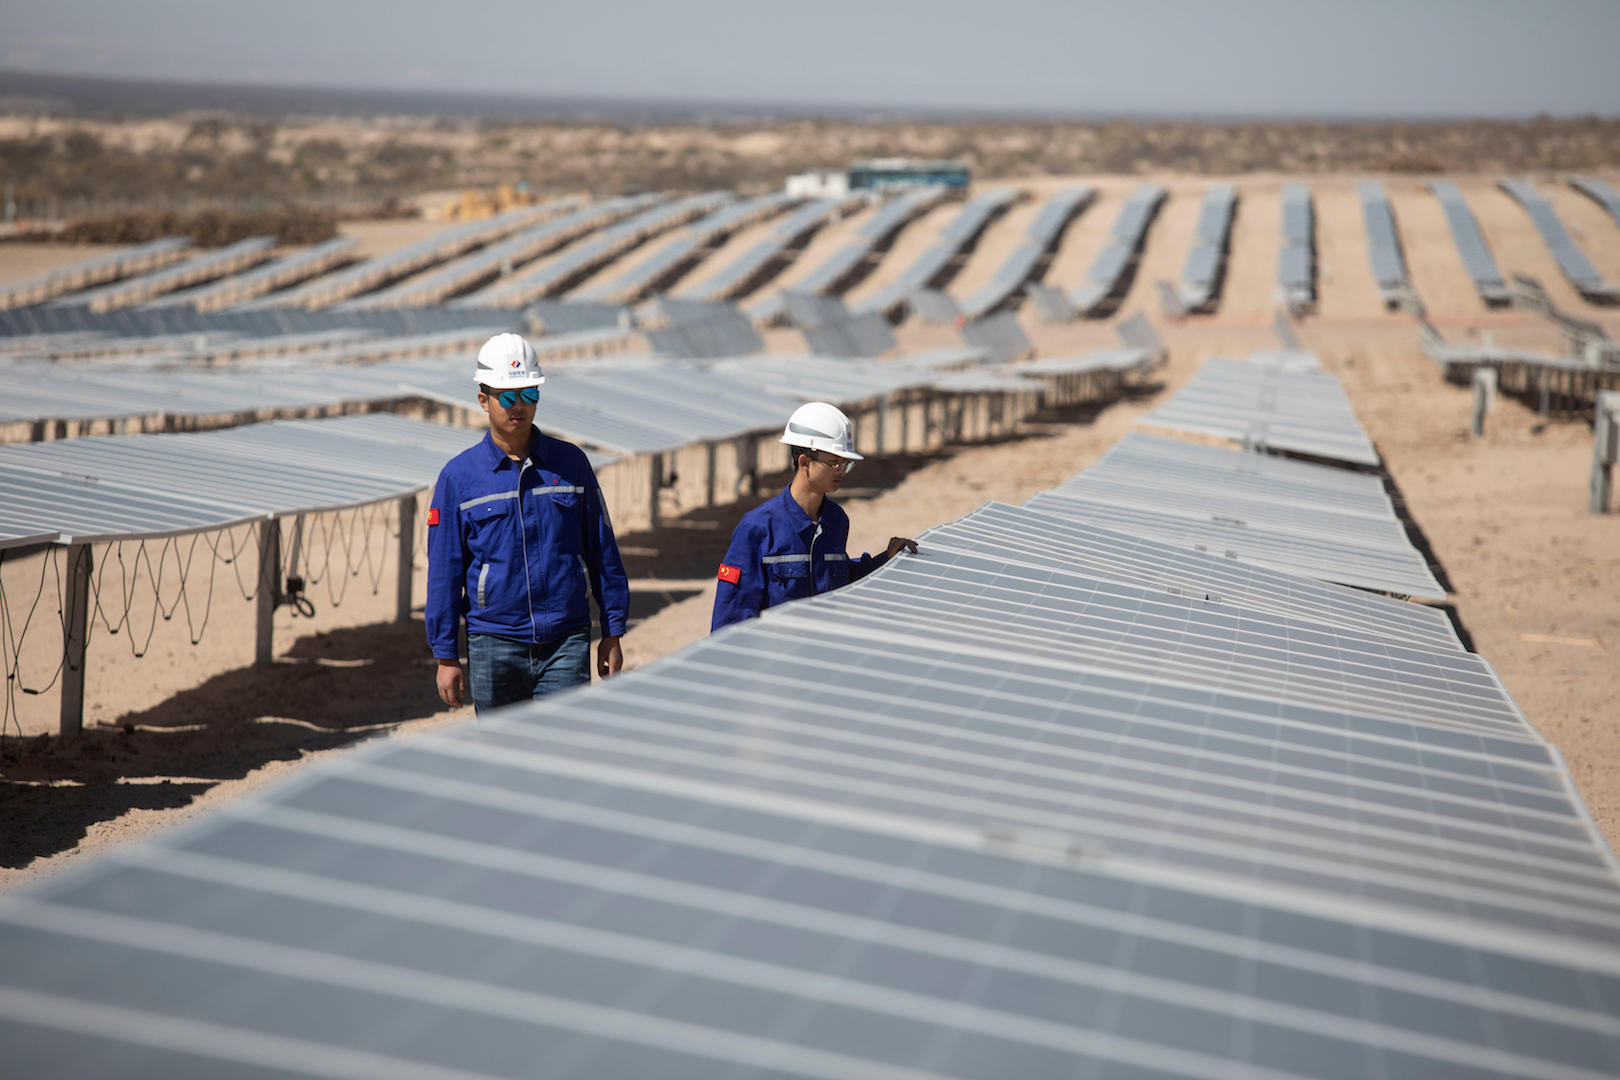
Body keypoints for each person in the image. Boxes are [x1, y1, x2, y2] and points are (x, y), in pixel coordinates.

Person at [426, 332, 629, 712]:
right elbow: (444, 572)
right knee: (504, 763)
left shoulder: (571, 464)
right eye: (507, 395)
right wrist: (446, 655)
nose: (518, 405)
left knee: (561, 755)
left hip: (566, 641)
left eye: (529, 394)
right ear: (483, 399)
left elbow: (602, 549)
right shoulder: (459, 478)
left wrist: (613, 629)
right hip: (494, 643)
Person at [712, 401, 916, 632]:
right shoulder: (757, 528)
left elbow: (840, 577)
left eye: (845, 464)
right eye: (834, 463)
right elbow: (733, 611)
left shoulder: (836, 520)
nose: (841, 472)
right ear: (804, 462)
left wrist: (885, 559)